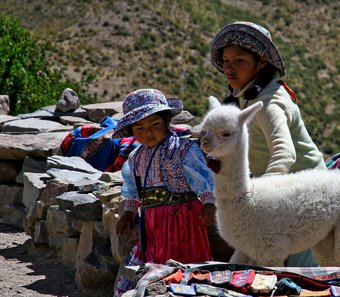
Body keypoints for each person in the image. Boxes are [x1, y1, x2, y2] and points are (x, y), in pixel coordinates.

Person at [209, 21, 327, 267]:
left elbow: (285, 154)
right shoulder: (250, 96)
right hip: (285, 191)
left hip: (305, 193)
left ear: (261, 61)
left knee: (301, 270)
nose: (229, 68)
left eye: (239, 61)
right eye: (227, 61)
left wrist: (261, 199)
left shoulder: (269, 104)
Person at [113, 88, 216, 296]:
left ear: (166, 121)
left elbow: (201, 176)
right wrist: (128, 212)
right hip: (152, 224)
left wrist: (209, 202)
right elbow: (134, 189)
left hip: (183, 219)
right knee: (156, 267)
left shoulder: (183, 149)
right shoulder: (135, 157)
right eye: (139, 128)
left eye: (154, 125)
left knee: (188, 267)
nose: (147, 133)